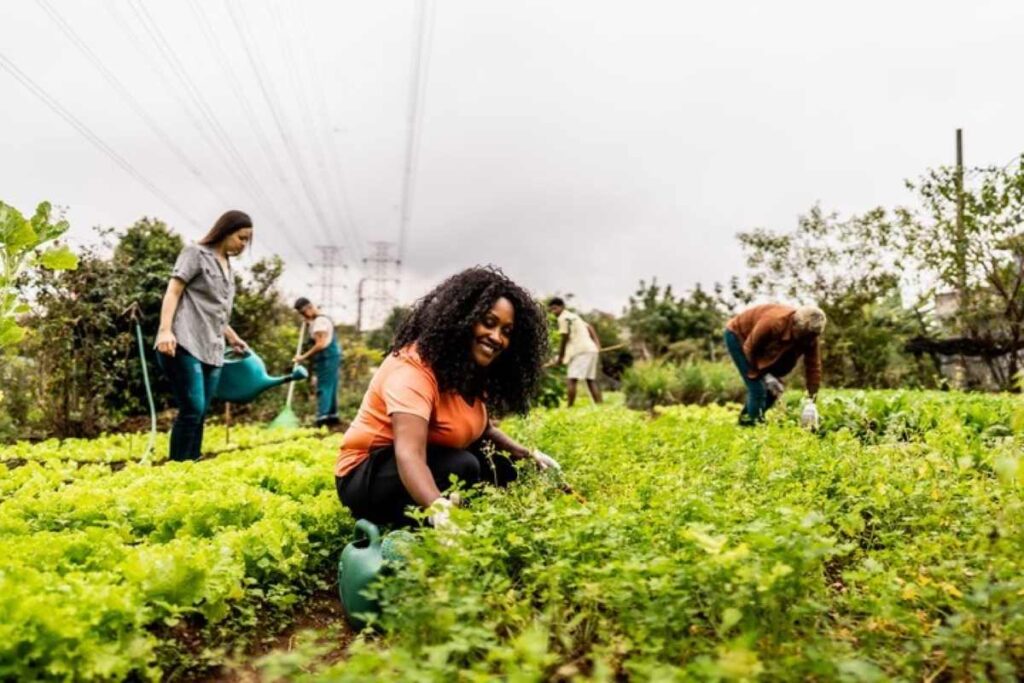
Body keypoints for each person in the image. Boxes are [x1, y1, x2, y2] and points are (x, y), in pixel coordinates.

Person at [336, 266, 560, 528]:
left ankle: (463, 522)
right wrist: (436, 508)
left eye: (506, 331)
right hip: (365, 476)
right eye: (488, 323)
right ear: (463, 318)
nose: (496, 337)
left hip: (419, 464)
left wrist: (527, 454)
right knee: (462, 465)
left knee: (503, 467)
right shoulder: (413, 371)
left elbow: (483, 429)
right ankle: (421, 526)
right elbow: (408, 453)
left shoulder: (468, 370)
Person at [155, 210, 252, 461]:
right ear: (226, 231)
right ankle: (177, 467)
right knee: (192, 408)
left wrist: (232, 337)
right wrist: (165, 330)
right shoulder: (195, 253)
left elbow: (214, 311)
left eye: (247, 240)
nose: (244, 245)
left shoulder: (228, 268)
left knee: (201, 413)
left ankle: (192, 464)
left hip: (213, 346)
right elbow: (174, 291)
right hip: (184, 340)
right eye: (241, 238)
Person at [724, 303, 826, 425]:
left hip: (760, 349)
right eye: (803, 336)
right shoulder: (773, 322)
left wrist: (811, 401)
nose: (807, 341)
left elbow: (813, 367)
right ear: (795, 325)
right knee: (758, 389)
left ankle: (745, 422)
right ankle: (754, 430)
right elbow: (750, 348)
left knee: (775, 390)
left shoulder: (810, 335)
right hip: (738, 337)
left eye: (811, 338)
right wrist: (765, 376)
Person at [292, 297, 342, 427]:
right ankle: (332, 416)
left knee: (324, 386)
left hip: (327, 356)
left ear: (309, 308)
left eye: (303, 313)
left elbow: (320, 344)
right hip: (331, 355)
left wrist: (303, 357)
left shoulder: (319, 322)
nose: (303, 316)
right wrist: (309, 322)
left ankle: (322, 417)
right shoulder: (320, 320)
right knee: (331, 385)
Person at [546, 297, 603, 407]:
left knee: (572, 379)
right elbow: (589, 327)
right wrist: (597, 344)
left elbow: (565, 338)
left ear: (562, 307)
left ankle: (569, 407)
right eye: (551, 310)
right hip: (590, 349)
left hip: (582, 351)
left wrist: (560, 358)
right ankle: (600, 405)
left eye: (555, 309)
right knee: (590, 379)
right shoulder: (574, 316)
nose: (553, 312)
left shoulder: (563, 318)